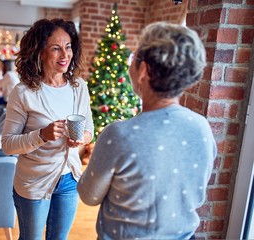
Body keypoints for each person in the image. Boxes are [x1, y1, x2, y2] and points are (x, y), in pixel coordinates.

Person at [77, 22, 217, 239]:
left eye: (134, 59)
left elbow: (89, 196)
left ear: (144, 70)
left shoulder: (119, 135)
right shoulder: (202, 128)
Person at [1, 18, 94, 239]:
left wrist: (79, 140)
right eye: (56, 48)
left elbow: (89, 129)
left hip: (70, 179)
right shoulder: (23, 92)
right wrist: (41, 135)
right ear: (40, 52)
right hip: (34, 181)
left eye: (68, 47)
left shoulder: (78, 87)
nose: (65, 55)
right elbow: (8, 145)